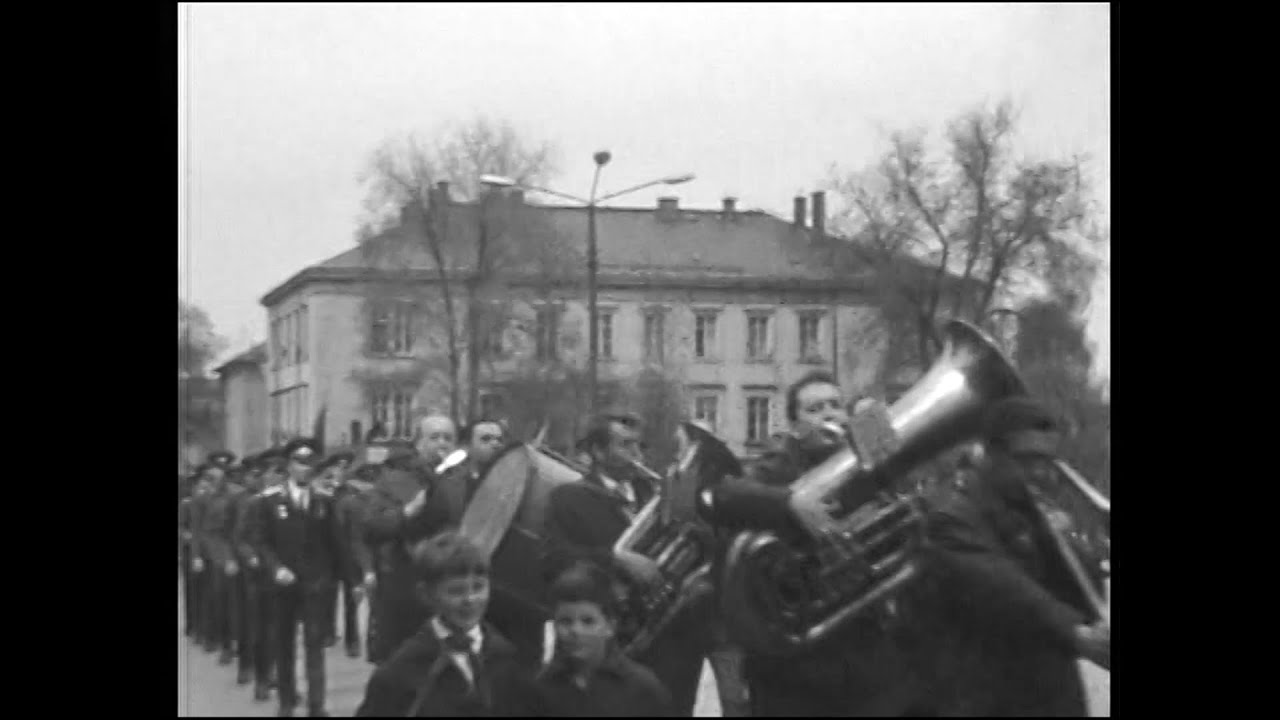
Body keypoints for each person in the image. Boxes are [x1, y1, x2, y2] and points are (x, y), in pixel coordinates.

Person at [700, 370, 923, 716]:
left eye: (835, 405)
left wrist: (891, 464)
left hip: (862, 645)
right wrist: (788, 502)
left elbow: (909, 508)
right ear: (795, 427)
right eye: (815, 409)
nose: (830, 415)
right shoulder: (778, 464)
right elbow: (722, 494)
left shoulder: (865, 458)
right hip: (794, 661)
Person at [907, 396, 1110, 716]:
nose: (1040, 473)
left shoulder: (1033, 512)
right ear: (990, 455)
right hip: (986, 699)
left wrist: (1069, 543)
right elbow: (1002, 588)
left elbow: (1088, 599)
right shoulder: (950, 515)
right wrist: (1076, 634)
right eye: (1026, 460)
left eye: (1047, 461)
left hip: (1052, 698)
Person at [542, 413, 705, 717]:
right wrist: (616, 558)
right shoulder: (568, 498)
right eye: (625, 445)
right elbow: (553, 560)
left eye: (639, 445)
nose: (637, 454)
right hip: (607, 640)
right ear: (598, 452)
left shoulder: (655, 495)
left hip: (665, 638)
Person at [355, 531, 523, 717]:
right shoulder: (400, 673)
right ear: (426, 595)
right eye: (456, 591)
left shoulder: (506, 657)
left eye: (479, 587)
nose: (470, 599)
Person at [256, 438, 359, 718]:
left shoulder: (324, 502)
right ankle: (287, 701)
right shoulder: (269, 502)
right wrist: (275, 567)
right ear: (289, 465)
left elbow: (338, 545)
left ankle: (317, 705)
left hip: (315, 585)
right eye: (299, 463)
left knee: (315, 646)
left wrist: (352, 582)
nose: (304, 469)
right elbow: (261, 542)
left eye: (309, 463)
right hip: (282, 585)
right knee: (284, 644)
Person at [515, 561, 673, 717]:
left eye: (588, 621)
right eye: (565, 622)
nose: (576, 631)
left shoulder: (642, 687)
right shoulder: (540, 689)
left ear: (609, 626)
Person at [361, 414, 458, 663]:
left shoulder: (460, 480)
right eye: (434, 437)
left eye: (448, 438)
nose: (442, 444)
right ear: (419, 443)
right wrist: (407, 513)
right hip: (405, 586)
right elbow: (371, 526)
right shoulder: (394, 480)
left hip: (450, 583)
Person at [316, 450, 358, 651]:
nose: (341, 471)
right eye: (337, 467)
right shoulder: (322, 494)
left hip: (350, 550)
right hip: (329, 552)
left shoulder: (353, 493)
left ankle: (352, 639)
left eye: (345, 467)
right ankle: (328, 631)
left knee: (352, 596)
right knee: (328, 593)